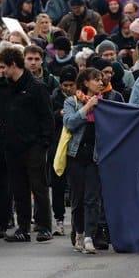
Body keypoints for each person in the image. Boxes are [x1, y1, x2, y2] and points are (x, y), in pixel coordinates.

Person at [0, 46, 55, 243]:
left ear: (13, 65)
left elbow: (47, 117)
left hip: (34, 145)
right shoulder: (5, 87)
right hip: (12, 147)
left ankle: (44, 226)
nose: (2, 70)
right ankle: (23, 228)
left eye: (4, 67)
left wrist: (44, 142)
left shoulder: (36, 87)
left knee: (38, 186)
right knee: (19, 188)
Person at [63, 68, 104, 254]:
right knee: (78, 198)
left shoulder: (105, 104)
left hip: (95, 157)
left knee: (92, 198)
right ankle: (78, 232)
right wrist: (88, 107)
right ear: (86, 83)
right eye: (96, 80)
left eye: (102, 80)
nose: (101, 83)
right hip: (76, 155)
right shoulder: (72, 101)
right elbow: (70, 123)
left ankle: (89, 236)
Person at [50, 65, 78, 237]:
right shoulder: (53, 98)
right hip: (57, 145)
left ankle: (76, 221)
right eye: (65, 85)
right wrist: (58, 114)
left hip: (75, 145)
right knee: (57, 183)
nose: (68, 88)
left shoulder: (80, 99)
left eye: (71, 85)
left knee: (76, 185)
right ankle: (59, 219)